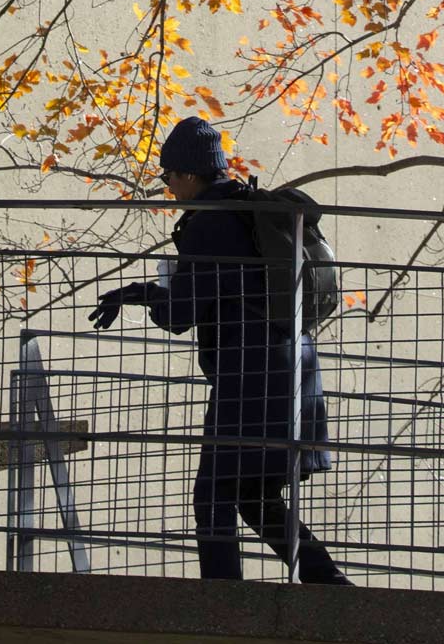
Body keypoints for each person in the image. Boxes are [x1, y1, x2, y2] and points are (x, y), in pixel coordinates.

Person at [89, 116, 350, 584]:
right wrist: (143, 291)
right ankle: (326, 580)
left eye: (168, 176)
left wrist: (140, 294)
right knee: (251, 492)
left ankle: (219, 602)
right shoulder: (246, 209)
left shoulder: (209, 223)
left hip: (250, 372)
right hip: (294, 362)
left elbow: (181, 312)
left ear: (189, 173)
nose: (167, 187)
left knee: (213, 494)